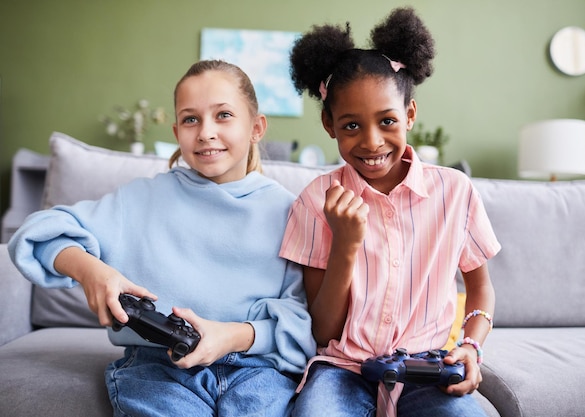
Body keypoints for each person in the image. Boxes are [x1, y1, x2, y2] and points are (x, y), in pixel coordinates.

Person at [8, 59, 316, 417]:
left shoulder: (291, 211)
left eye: (223, 115)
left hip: (257, 369)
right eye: (190, 119)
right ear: (176, 131)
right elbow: (36, 232)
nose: (205, 132)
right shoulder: (139, 199)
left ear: (256, 128)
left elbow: (301, 321)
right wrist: (90, 270)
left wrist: (230, 336)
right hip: (159, 365)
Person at [279, 7, 501, 417]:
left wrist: (471, 345)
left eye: (387, 121)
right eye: (351, 126)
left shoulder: (455, 192)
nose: (372, 141)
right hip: (342, 369)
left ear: (410, 115)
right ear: (329, 124)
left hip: (427, 368)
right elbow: (322, 330)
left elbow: (481, 288)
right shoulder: (314, 201)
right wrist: (345, 245)